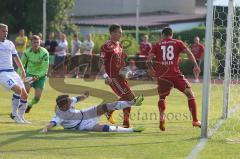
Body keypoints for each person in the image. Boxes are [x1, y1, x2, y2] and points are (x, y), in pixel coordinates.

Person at [147, 27, 201, 131]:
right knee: (190, 95)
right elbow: (189, 53)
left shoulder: (157, 44)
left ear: (162, 35)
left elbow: (149, 59)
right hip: (175, 75)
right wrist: (195, 65)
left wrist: (151, 69)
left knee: (162, 98)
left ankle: (162, 117)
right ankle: (195, 120)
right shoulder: (177, 42)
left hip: (162, 76)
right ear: (171, 35)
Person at [41, 92, 144, 133]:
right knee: (104, 129)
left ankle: (133, 102)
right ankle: (132, 130)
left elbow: (77, 98)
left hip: (85, 113)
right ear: (64, 106)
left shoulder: (68, 101)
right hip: (81, 125)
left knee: (106, 106)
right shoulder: (60, 115)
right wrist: (45, 129)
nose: (71, 100)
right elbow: (52, 123)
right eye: (69, 101)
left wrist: (84, 96)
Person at [100, 24, 137, 128]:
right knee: (130, 98)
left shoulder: (119, 45)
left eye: (121, 32)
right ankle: (112, 113)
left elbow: (121, 62)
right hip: (113, 78)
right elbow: (101, 63)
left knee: (129, 99)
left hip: (121, 77)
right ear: (112, 33)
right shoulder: (106, 46)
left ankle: (124, 122)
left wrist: (128, 71)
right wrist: (105, 76)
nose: (121, 34)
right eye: (119, 32)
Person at [0, 23, 29, 123]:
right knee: (18, 90)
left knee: (25, 95)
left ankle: (21, 117)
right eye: (3, 31)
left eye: (6, 31)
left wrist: (22, 70)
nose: (5, 33)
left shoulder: (10, 43)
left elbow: (16, 57)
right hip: (2, 73)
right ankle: (14, 114)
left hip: (12, 71)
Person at [20, 35, 49, 113]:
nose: (36, 44)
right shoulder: (26, 52)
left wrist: (38, 76)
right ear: (31, 43)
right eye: (34, 42)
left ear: (40, 43)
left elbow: (45, 68)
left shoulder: (44, 53)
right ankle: (21, 108)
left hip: (41, 76)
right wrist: (19, 76)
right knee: (26, 91)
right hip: (29, 74)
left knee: (37, 98)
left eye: (37, 42)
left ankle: (29, 105)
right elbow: (21, 65)